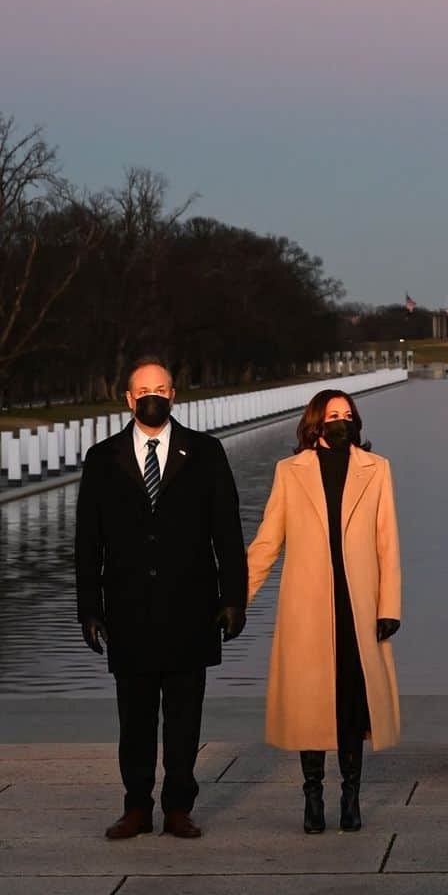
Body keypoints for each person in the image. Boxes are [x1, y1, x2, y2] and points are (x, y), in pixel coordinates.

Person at [75, 356, 248, 840]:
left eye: (162, 387)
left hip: (190, 607)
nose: (153, 395)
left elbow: (227, 531)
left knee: (184, 717)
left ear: (174, 395)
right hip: (127, 609)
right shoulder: (103, 458)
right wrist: (88, 607)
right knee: (134, 719)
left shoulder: (206, 452)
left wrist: (235, 597)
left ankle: (177, 806)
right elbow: (87, 541)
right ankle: (136, 806)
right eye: (143, 389)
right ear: (128, 399)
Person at [246, 389, 401, 834]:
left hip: (359, 604)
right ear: (315, 422)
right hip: (308, 605)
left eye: (347, 415)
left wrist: (388, 604)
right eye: (333, 415)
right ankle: (312, 796)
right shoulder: (290, 472)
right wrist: (237, 597)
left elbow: (387, 543)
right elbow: (267, 541)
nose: (341, 421)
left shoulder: (377, 469)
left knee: (353, 704)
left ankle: (350, 796)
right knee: (311, 706)